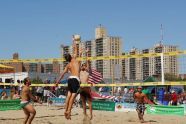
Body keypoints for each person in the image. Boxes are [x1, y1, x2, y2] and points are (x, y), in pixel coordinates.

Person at [56, 36, 82, 120]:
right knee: (73, 97)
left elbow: (62, 74)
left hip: (69, 79)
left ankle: (65, 109)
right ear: (71, 56)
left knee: (68, 96)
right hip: (75, 79)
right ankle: (69, 111)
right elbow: (75, 49)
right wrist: (73, 41)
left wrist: (57, 82)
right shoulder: (74, 59)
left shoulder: (68, 65)